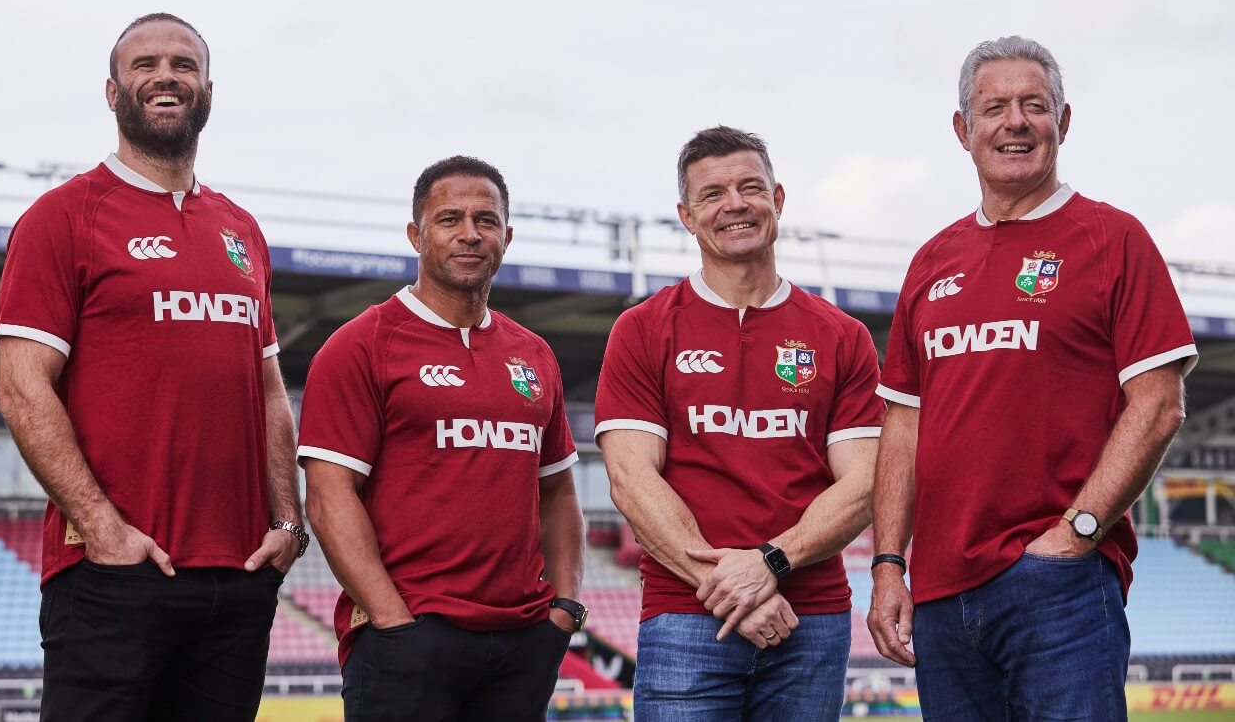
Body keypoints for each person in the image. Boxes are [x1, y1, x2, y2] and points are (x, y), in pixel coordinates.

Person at [867, 36, 1198, 721]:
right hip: (940, 593)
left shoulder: (1113, 239)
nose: (1014, 122)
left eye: (1033, 106)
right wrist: (889, 564)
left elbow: (1159, 402)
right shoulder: (932, 260)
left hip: (1059, 582)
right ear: (964, 130)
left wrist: (1076, 533)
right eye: (994, 108)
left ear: (1063, 122)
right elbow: (903, 423)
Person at [0, 13, 306, 722]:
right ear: (113, 92)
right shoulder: (62, 216)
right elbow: (19, 387)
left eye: (183, 65)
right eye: (145, 65)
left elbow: (266, 390)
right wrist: (102, 528)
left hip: (239, 578)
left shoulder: (241, 230)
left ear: (207, 91)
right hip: (116, 573)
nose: (165, 76)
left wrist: (288, 522)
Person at [594, 126, 885, 721]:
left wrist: (769, 564)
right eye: (713, 193)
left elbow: (862, 486)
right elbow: (630, 479)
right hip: (685, 617)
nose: (735, 204)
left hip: (812, 618)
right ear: (686, 214)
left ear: (778, 199)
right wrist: (735, 588)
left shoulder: (841, 336)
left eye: (751, 187)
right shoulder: (644, 329)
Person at [297, 156, 586, 722]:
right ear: (416, 234)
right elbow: (330, 497)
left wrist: (565, 610)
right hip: (409, 637)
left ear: (507, 235)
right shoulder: (362, 344)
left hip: (523, 641)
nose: (470, 234)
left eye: (486, 219)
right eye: (450, 218)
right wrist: (391, 620)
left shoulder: (533, 355)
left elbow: (559, 495)